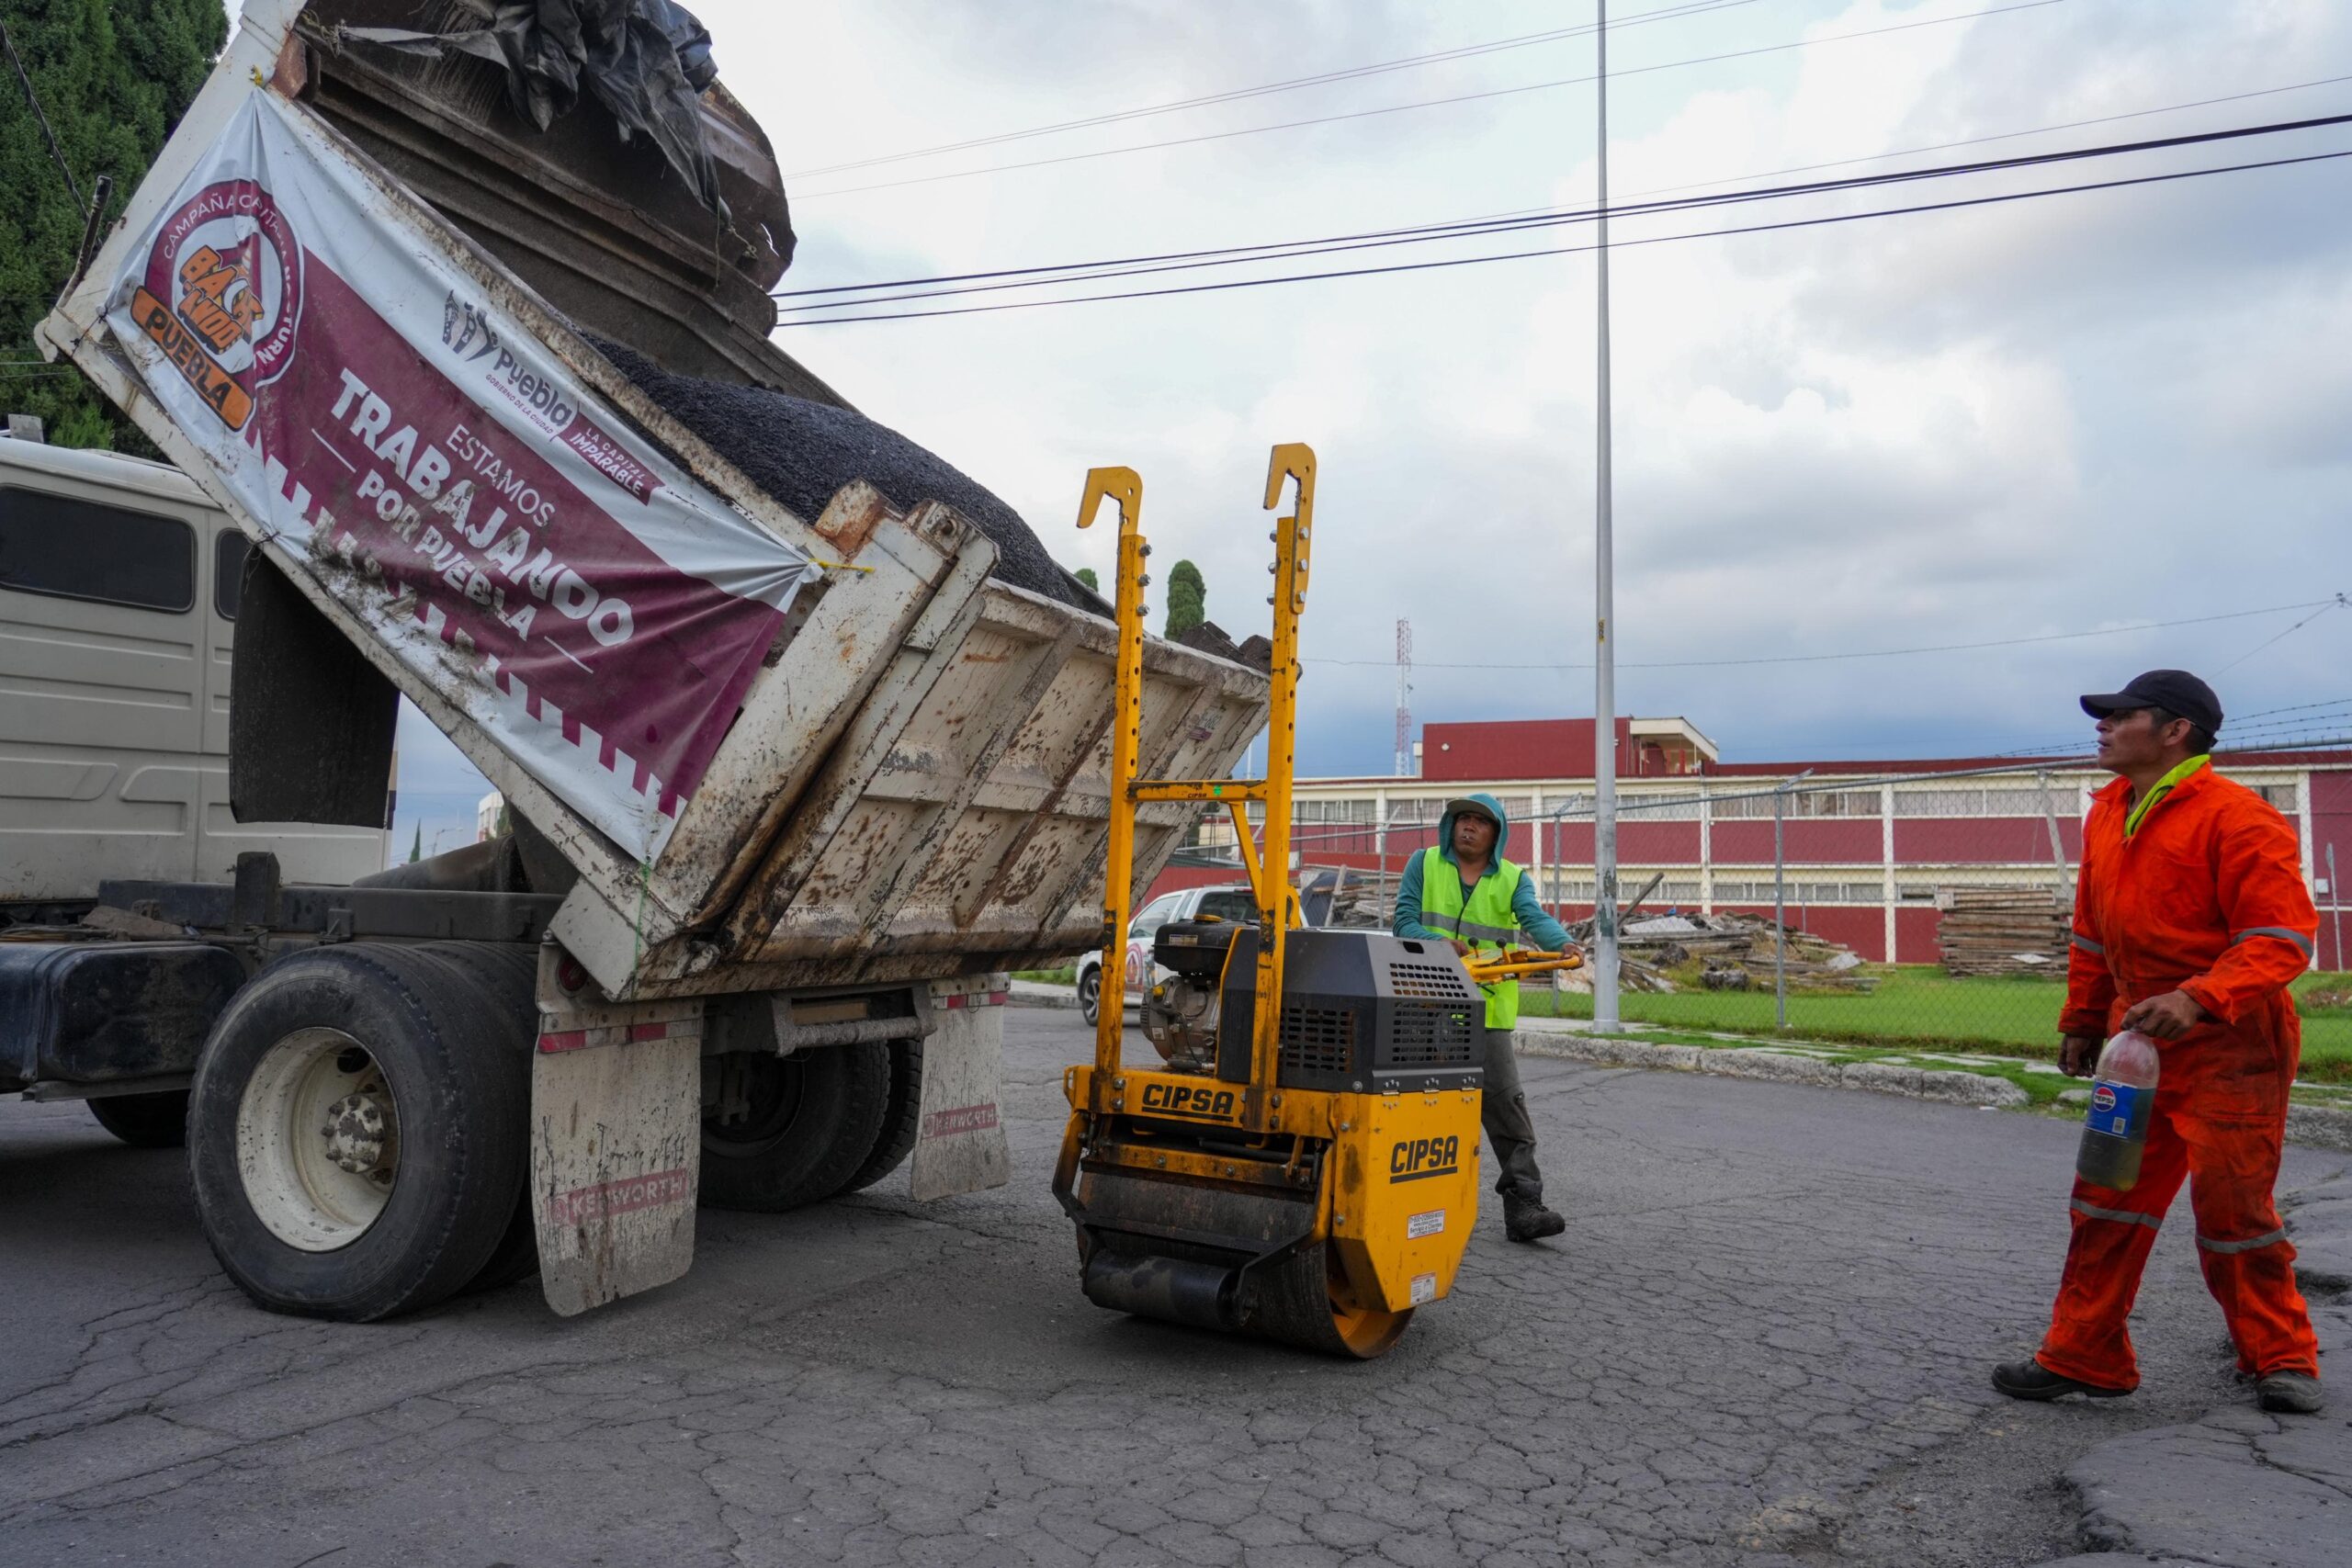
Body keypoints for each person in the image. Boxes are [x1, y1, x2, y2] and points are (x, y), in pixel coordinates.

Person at [1995, 671, 2324, 1416]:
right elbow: (2092, 931)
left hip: (2233, 1052)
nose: (2103, 726)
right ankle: (2085, 1352)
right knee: (2105, 1198)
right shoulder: (2109, 812)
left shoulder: (2240, 819)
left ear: (2175, 730)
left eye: (2121, 714)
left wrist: (2198, 997)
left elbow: (2281, 940)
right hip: (2137, 1050)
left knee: (2234, 1213)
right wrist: (2083, 1017)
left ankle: (2281, 1356)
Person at [1394, 793, 1576, 1244]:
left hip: (1487, 1010)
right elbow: (1403, 923)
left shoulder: (1513, 878)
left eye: (1479, 821)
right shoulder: (1423, 863)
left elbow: (1534, 918)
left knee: (1505, 1105)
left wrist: (1565, 945)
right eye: (1462, 819)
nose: (1468, 827)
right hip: (1426, 1001)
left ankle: (1524, 1205)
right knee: (1417, 1105)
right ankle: (1404, 1204)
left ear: (1497, 834)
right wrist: (1438, 941)